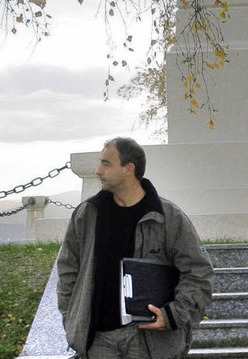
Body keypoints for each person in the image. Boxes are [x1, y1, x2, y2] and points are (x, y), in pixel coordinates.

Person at [57, 137, 215, 359]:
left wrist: (172, 315)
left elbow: (199, 274)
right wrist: (70, 317)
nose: (98, 170)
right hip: (97, 341)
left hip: (148, 343)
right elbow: (67, 270)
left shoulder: (169, 217)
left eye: (106, 164)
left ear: (128, 169)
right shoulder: (87, 214)